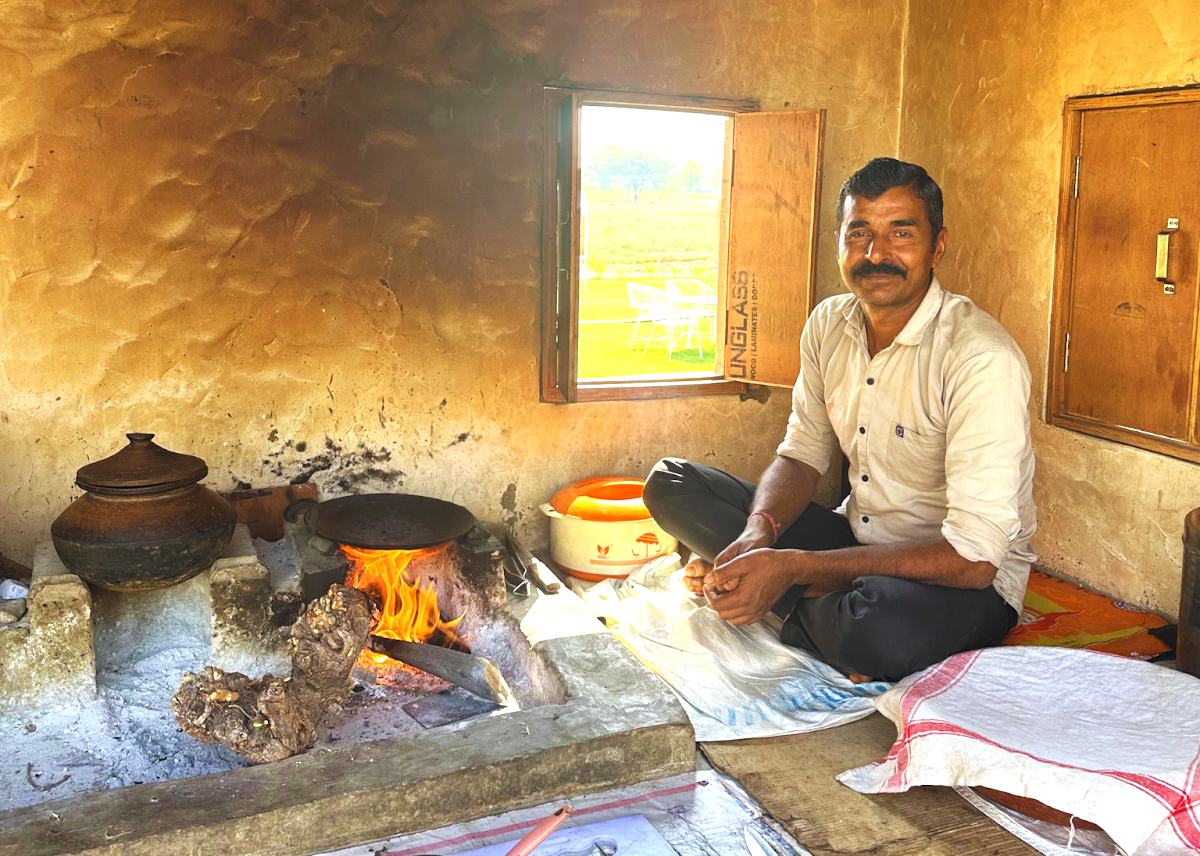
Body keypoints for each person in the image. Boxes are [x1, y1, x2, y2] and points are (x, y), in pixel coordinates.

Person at [643, 158, 1036, 683]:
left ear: (937, 246)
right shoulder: (829, 323)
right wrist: (760, 535)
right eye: (860, 233)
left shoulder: (979, 357)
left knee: (876, 629)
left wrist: (795, 567)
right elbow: (802, 452)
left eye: (901, 233)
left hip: (955, 580)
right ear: (839, 244)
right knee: (671, 483)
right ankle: (795, 598)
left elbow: (974, 560)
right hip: (855, 541)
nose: (877, 254)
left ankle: (784, 598)